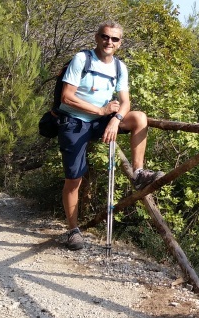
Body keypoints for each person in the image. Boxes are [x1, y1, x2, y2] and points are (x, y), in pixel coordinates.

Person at [56, 21, 162, 250]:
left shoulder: (119, 67)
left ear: (120, 43)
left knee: (139, 118)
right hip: (74, 122)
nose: (109, 42)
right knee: (74, 179)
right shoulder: (81, 59)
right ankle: (73, 230)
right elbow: (66, 97)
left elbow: (125, 102)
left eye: (115, 39)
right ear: (97, 37)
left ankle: (138, 173)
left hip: (102, 121)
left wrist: (115, 119)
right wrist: (101, 111)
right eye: (105, 37)